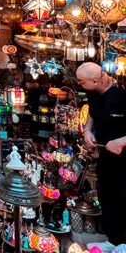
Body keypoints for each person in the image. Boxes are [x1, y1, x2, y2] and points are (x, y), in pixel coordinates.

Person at [77, 62, 126, 247]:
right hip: (106, 155)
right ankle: (114, 241)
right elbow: (92, 112)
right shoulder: (93, 93)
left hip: (124, 155)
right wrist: (88, 130)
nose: (79, 86)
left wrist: (121, 141)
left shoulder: (121, 94)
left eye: (82, 82)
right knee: (107, 196)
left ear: (95, 80)